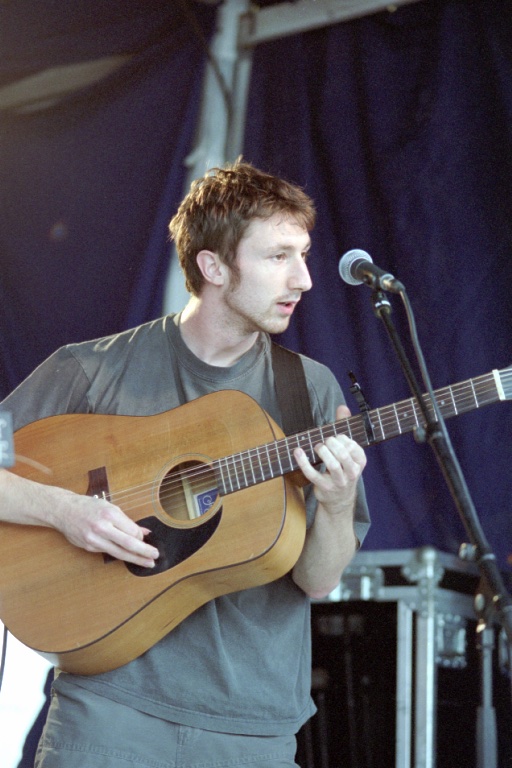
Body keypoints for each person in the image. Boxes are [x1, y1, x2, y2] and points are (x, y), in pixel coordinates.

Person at [0, 160, 370, 768]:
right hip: (109, 708)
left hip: (252, 726)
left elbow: (317, 581)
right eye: (279, 257)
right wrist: (66, 511)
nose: (303, 279)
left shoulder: (307, 389)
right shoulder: (95, 368)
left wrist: (334, 502)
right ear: (214, 266)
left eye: (304, 255)